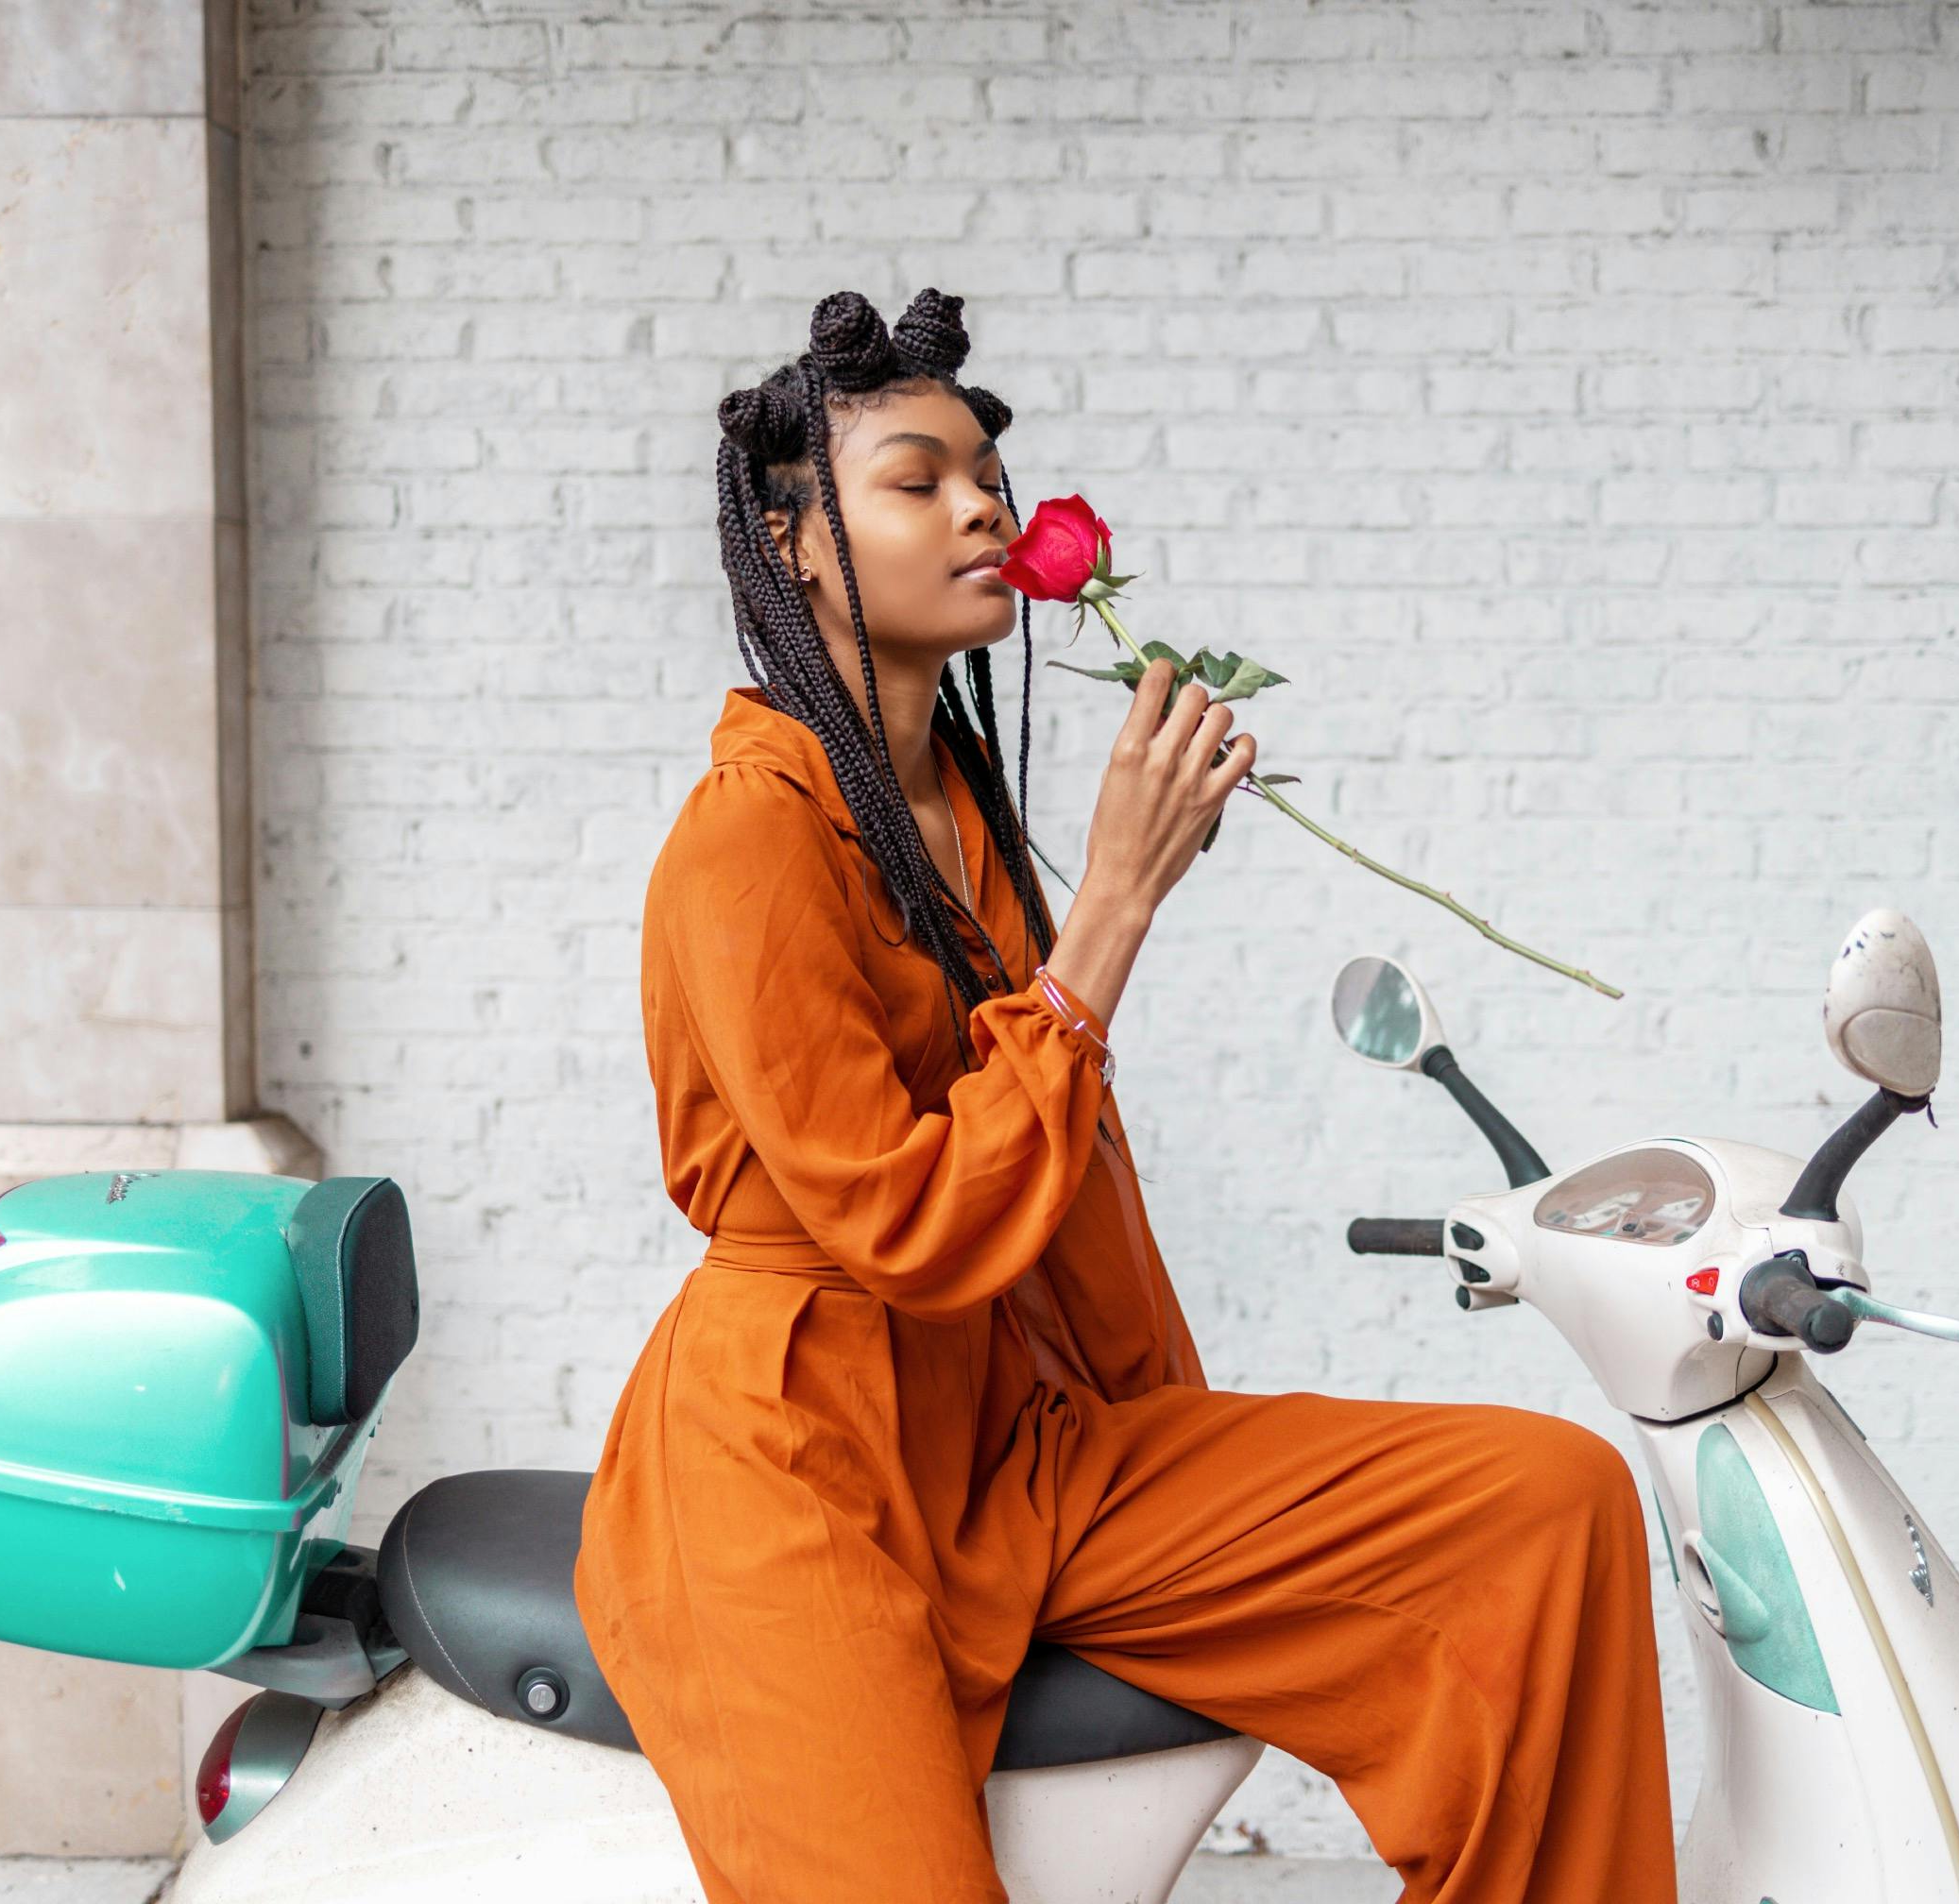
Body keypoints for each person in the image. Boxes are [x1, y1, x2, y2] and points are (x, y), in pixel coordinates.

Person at [573, 287, 1676, 1903]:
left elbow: (1067, 1189)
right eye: (917, 479)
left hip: (1019, 1446)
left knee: (1543, 1508)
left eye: (989, 483)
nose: (980, 509)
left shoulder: (951, 807)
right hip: (793, 1463)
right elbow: (907, 1222)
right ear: (797, 539)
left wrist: (1177, 1441)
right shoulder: (747, 842)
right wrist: (1113, 915)